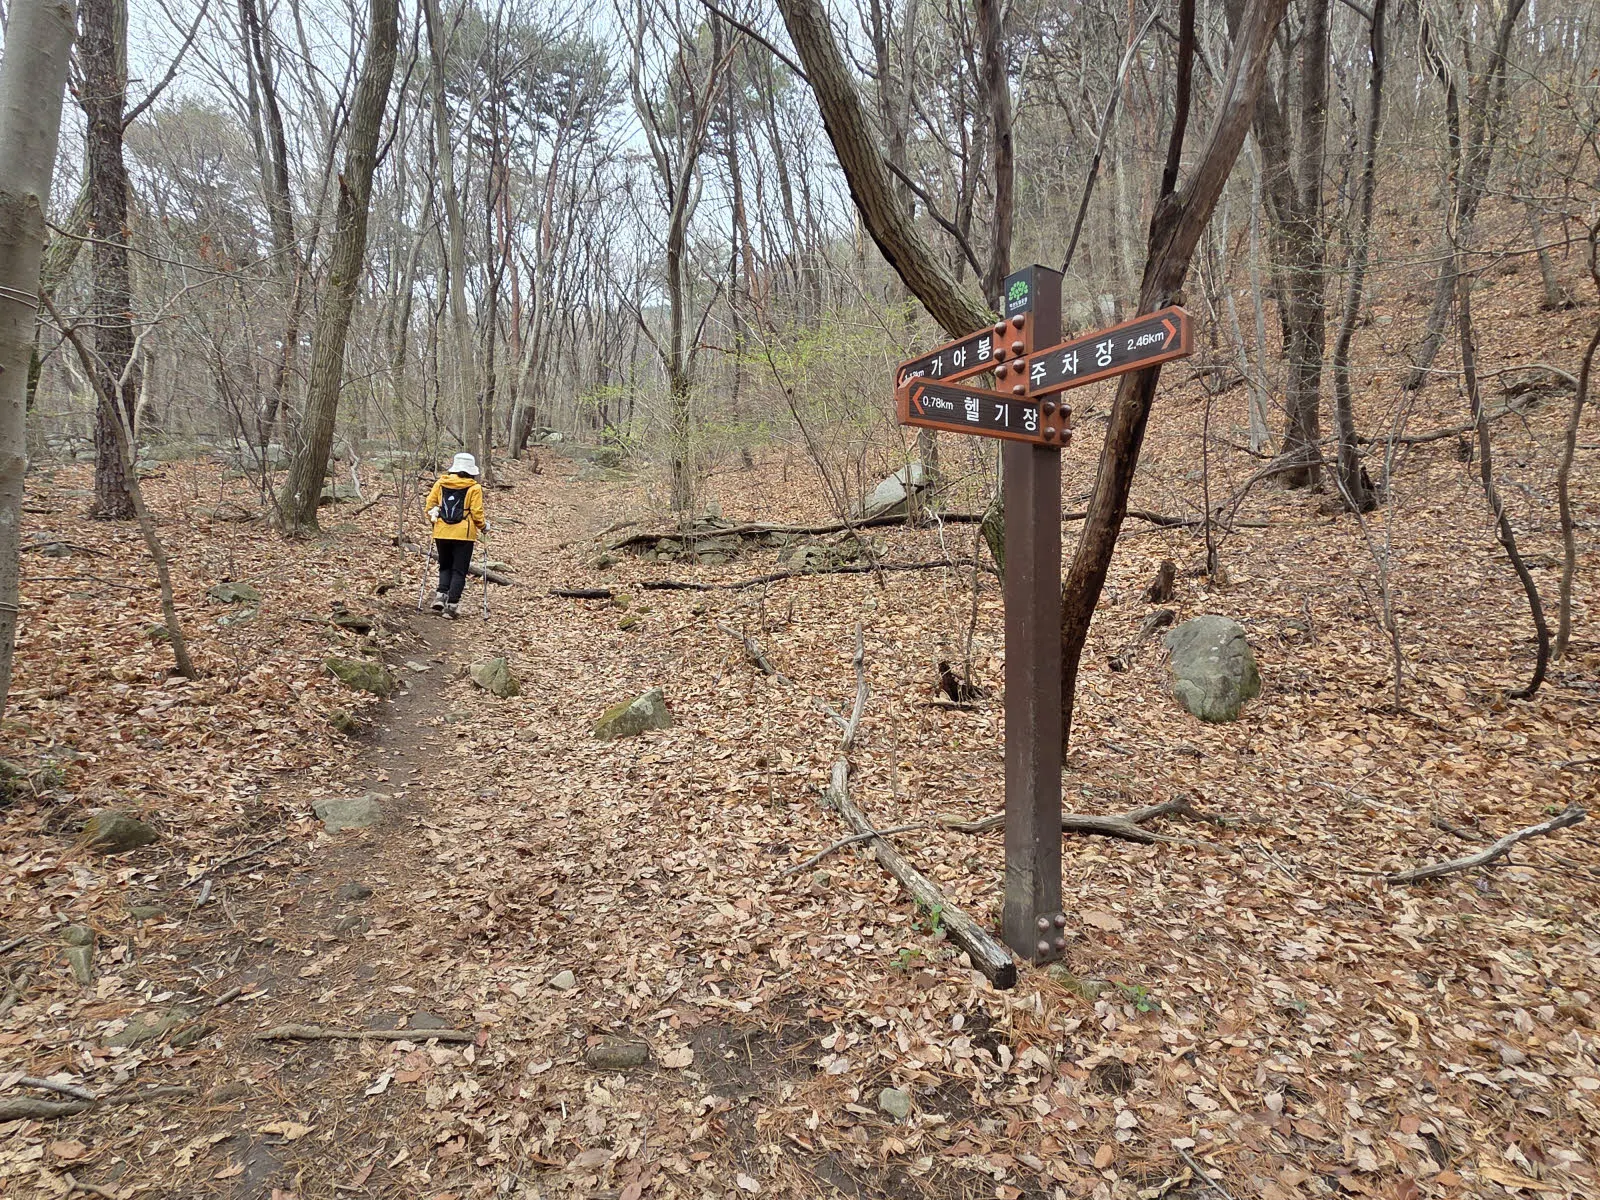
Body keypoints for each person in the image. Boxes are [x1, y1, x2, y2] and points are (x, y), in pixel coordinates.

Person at [425, 452, 488, 619]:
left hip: (441, 531)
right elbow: (476, 512)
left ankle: (440, 595)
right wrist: (483, 526)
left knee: (444, 565)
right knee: (459, 570)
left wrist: (435, 521)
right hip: (464, 534)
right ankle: (451, 606)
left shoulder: (441, 483)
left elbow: (429, 505)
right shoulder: (474, 488)